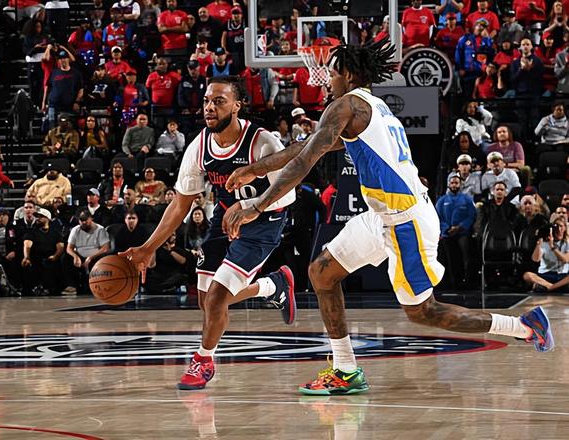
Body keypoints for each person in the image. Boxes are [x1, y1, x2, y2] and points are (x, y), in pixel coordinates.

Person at [224, 40, 554, 397]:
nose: (327, 82)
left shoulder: (347, 105)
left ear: (348, 74)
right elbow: (304, 147)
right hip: (381, 216)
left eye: (331, 74)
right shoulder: (371, 107)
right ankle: (346, 369)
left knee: (423, 312)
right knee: (321, 272)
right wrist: (256, 168)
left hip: (405, 221)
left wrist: (257, 205)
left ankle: (523, 326)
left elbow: (305, 162)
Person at [120, 77, 298, 390]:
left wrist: (249, 207)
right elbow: (180, 204)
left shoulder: (263, 142)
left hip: (264, 221)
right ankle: (272, 286)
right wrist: (148, 247)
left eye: (219, 101)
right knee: (207, 302)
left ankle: (203, 361)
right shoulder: (199, 146)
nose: (209, 107)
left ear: (237, 105)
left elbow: (288, 194)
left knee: (217, 299)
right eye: (206, 101)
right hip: (224, 219)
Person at [436, 175, 477, 288]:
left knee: (466, 256)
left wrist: (460, 227)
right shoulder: (441, 200)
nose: (454, 185)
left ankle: (467, 281)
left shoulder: (467, 199)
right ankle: (451, 282)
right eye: (452, 183)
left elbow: (471, 216)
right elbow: (438, 217)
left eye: (456, 183)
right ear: (449, 184)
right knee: (449, 258)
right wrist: (446, 229)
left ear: (460, 185)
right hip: (447, 234)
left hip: (463, 233)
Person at [64, 210, 110, 294]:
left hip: (95, 256)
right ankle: (72, 286)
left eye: (86, 220)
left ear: (91, 218)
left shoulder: (100, 229)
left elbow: (105, 248)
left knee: (101, 259)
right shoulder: (75, 230)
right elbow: (69, 248)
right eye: (81, 220)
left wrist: (90, 257)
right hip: (79, 255)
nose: (84, 222)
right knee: (66, 257)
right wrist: (75, 257)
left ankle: (96, 285)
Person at [522, 214, 569, 292]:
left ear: (565, 228)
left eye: (561, 226)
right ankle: (552, 287)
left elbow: (565, 259)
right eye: (556, 226)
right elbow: (535, 259)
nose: (558, 229)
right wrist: (539, 242)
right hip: (545, 275)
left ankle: (548, 288)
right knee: (527, 275)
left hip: (562, 276)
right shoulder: (544, 243)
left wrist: (552, 247)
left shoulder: (567, 243)